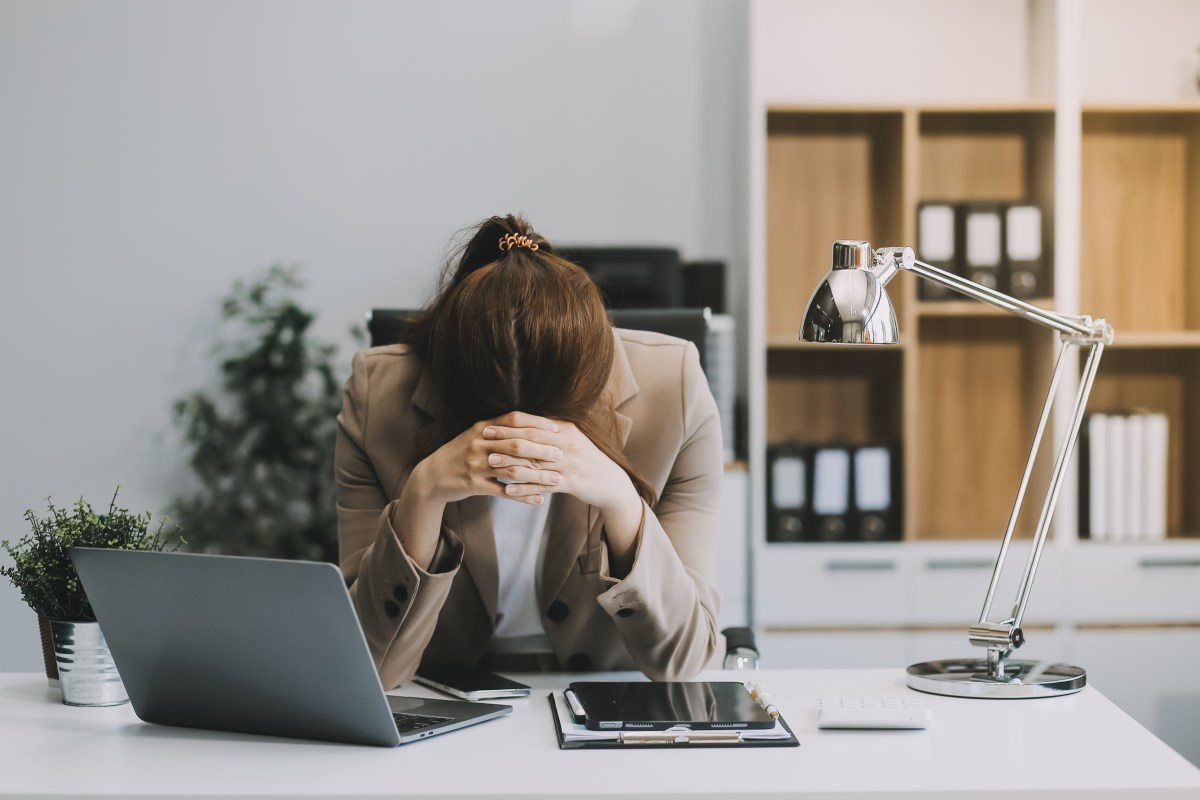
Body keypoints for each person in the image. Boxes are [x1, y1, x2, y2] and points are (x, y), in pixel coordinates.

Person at [335, 214, 724, 690]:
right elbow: (369, 668)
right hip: (439, 694)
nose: (522, 442)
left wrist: (622, 503)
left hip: (609, 696)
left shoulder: (675, 389)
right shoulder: (378, 397)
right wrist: (423, 494)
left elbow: (683, 660)